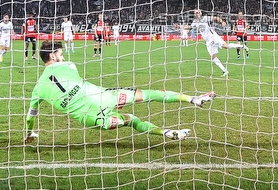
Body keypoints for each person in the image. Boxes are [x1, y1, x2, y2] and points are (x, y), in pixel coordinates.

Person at [23, 42, 215, 144]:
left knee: (131, 120)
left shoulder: (38, 88)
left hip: (91, 119)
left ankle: (167, 132)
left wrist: (29, 132)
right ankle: (193, 99)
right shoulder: (69, 65)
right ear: (53, 56)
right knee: (148, 94)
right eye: (60, 53)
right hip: (103, 97)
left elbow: (31, 116)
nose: (63, 56)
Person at [192, 9, 243, 76]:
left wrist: (222, 22)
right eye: (196, 13)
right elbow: (190, 28)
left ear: (201, 13)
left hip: (213, 36)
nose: (197, 13)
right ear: (194, 14)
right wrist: (180, 27)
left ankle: (242, 46)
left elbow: (216, 18)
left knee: (226, 46)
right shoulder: (194, 22)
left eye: (198, 12)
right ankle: (225, 71)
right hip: (208, 41)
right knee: (213, 57)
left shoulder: (205, 18)